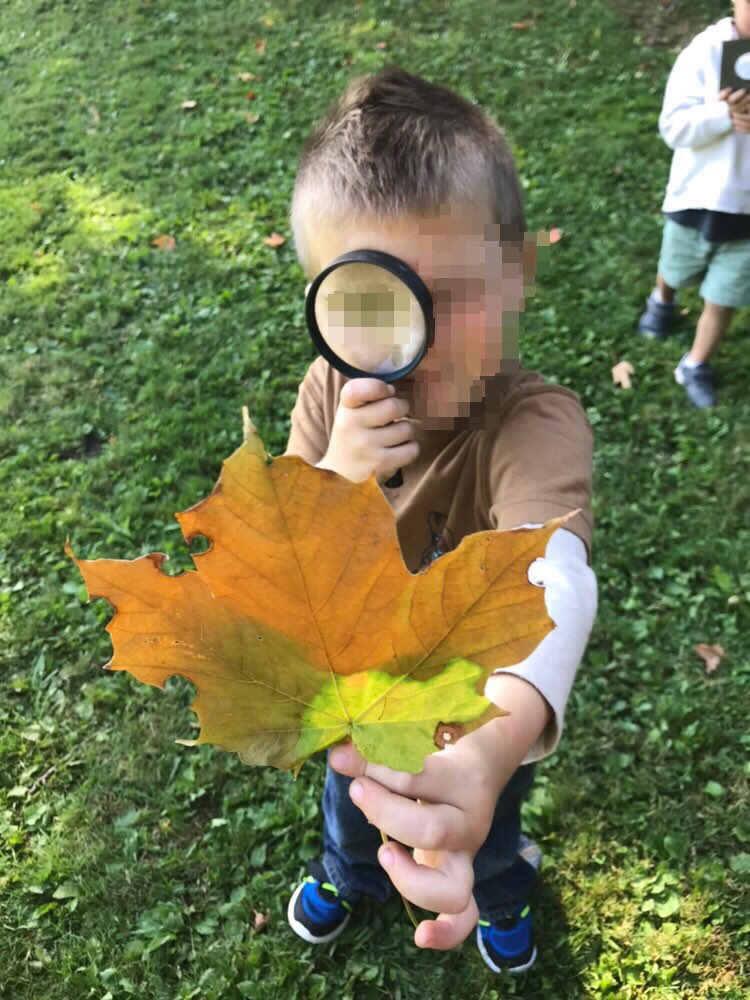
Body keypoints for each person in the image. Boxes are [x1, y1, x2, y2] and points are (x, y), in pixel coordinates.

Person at [282, 66, 598, 974]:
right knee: (349, 808)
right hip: (362, 697)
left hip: (482, 713)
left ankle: (500, 898)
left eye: (452, 294)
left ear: (520, 273)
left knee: (487, 829)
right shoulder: (329, 392)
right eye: (371, 306)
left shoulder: (533, 424)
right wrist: (339, 478)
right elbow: (292, 566)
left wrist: (496, 746)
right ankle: (346, 876)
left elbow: (554, 578)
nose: (412, 342)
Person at [637, 0, 750, 408]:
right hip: (699, 196)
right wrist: (724, 115)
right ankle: (662, 300)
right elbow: (674, 126)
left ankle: (696, 363)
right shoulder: (706, 52)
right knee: (675, 267)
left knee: (725, 296)